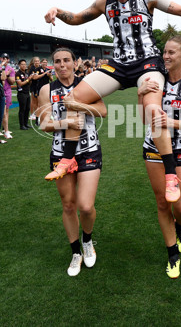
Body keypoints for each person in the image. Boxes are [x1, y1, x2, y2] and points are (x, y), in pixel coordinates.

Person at [44, 0, 181, 202]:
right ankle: (68, 160)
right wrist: (56, 10)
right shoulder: (104, 2)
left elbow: (179, 9)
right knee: (73, 99)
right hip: (119, 65)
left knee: (153, 111)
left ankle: (171, 175)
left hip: (148, 63)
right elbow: (78, 18)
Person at [138, 36, 181, 279]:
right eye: (164, 52)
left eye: (171, 53)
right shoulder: (156, 80)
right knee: (161, 203)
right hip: (154, 150)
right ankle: (172, 255)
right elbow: (144, 120)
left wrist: (172, 122)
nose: (165, 56)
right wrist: (141, 95)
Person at [38, 47, 106, 277]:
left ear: (75, 63)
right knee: (68, 205)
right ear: (53, 65)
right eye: (57, 61)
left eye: (67, 60)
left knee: (85, 206)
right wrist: (65, 123)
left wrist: (78, 107)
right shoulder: (47, 89)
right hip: (60, 152)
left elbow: (102, 111)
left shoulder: (87, 85)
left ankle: (88, 240)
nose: (62, 65)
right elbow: (43, 123)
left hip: (88, 150)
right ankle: (75, 251)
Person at [0, 53, 16, 139]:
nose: (5, 59)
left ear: (9, 59)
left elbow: (12, 82)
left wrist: (8, 75)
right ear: (1, 59)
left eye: (7, 58)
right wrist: (5, 74)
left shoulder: (11, 69)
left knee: (6, 111)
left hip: (8, 91)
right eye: (3, 58)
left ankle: (4, 128)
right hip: (0, 91)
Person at [15, 59, 31, 130]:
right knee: (22, 109)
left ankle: (26, 123)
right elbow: (20, 84)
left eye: (25, 64)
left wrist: (31, 79)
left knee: (27, 109)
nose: (24, 65)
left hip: (27, 93)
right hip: (21, 94)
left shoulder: (26, 73)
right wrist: (29, 79)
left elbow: (29, 83)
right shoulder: (18, 73)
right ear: (19, 65)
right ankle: (22, 125)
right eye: (22, 64)